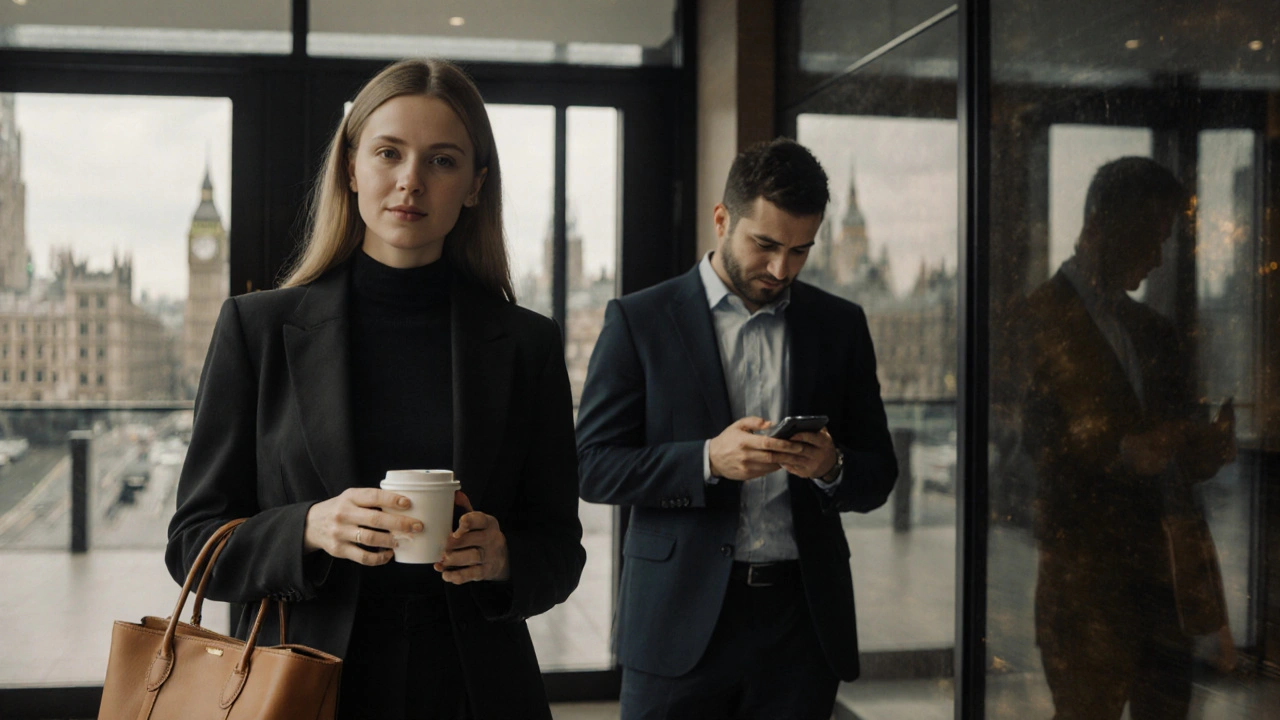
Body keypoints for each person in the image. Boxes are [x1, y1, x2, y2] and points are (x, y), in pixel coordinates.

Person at [166, 58, 585, 720]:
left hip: (475, 689)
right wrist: (308, 526)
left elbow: (561, 553)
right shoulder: (258, 330)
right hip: (300, 688)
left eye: (442, 161)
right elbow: (193, 544)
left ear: (475, 186)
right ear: (350, 168)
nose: (409, 181)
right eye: (388, 152)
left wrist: (504, 557)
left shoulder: (526, 345)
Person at [576, 138, 898, 719]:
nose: (781, 269)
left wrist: (832, 467)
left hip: (803, 627)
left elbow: (878, 474)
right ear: (721, 219)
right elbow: (592, 465)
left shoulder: (840, 325)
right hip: (677, 620)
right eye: (766, 244)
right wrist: (705, 460)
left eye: (801, 251)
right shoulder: (639, 320)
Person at [1020, 157, 1236, 720]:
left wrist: (1200, 455)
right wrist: (1123, 455)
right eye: (1148, 235)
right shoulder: (1033, 322)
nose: (1158, 257)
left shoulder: (1154, 332)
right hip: (1087, 594)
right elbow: (1020, 454)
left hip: (1164, 596)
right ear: (1099, 224)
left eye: (1164, 238)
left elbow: (1173, 457)